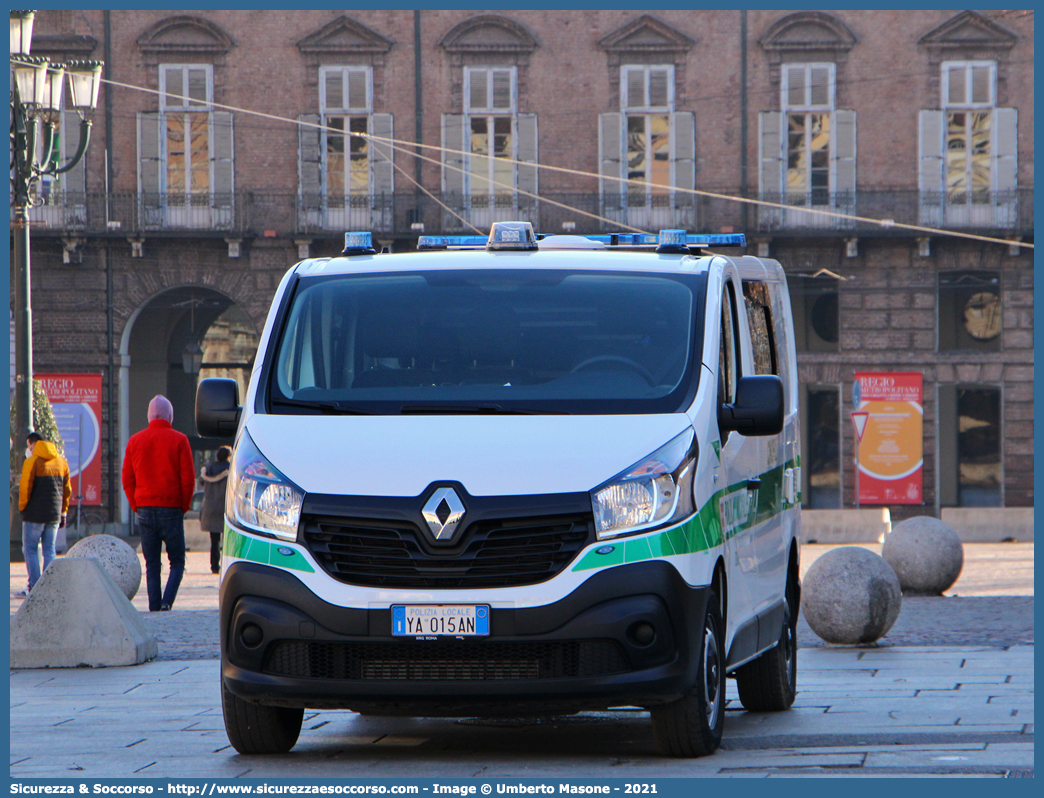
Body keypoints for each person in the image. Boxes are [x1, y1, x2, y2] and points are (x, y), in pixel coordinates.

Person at [122, 395, 195, 611]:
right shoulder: (180, 440)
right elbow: (188, 479)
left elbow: (127, 478)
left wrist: (136, 504)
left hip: (144, 509)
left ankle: (154, 606)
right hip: (172, 508)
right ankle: (166, 602)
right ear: (170, 415)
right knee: (178, 562)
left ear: (149, 416)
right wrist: (184, 505)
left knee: (152, 564)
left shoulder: (135, 441)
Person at [17, 432, 72, 596]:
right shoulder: (61, 462)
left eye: (29, 445)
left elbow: (25, 488)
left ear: (33, 444)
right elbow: (67, 491)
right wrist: (63, 512)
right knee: (49, 550)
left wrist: (22, 508)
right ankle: (49, 587)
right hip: (54, 514)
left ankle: (34, 587)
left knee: (30, 550)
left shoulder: (32, 461)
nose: (28, 449)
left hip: (34, 514)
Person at [199, 445, 232, 574]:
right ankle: (226, 566)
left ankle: (214, 566)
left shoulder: (209, 468)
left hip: (211, 509)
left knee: (214, 541)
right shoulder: (230, 468)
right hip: (225, 509)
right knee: (228, 541)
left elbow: (201, 481)